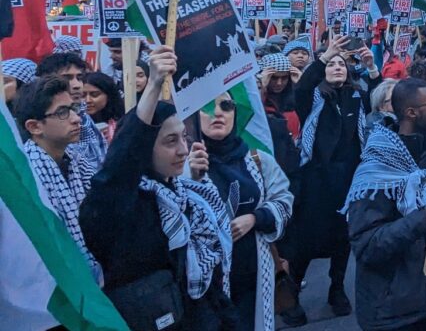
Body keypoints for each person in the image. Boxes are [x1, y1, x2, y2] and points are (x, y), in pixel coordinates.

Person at [80, 45, 236, 330]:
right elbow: (119, 168)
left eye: (183, 138)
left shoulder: (191, 197)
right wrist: (153, 85)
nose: (182, 151)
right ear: (143, 147)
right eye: (169, 141)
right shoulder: (119, 205)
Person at [345, 78, 426, 331]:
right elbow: (366, 246)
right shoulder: (375, 172)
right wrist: (421, 219)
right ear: (411, 113)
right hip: (392, 314)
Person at [278, 33, 380, 325]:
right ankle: (292, 295)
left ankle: (337, 290)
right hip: (315, 183)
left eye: (341, 64)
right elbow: (300, 90)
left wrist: (371, 67)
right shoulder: (312, 97)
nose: (337, 67)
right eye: (330, 65)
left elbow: (380, 97)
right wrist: (322, 57)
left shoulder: (355, 95)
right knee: (305, 242)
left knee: (341, 240)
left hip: (348, 181)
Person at [189, 92, 294, 331]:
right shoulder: (183, 164)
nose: (218, 113)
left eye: (226, 106)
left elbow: (284, 201)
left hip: (253, 276)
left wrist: (255, 218)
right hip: (207, 285)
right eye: (208, 105)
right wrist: (189, 178)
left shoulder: (258, 160)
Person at [15, 77, 100, 278]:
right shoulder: (28, 176)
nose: (76, 118)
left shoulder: (77, 160)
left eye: (73, 108)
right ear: (35, 127)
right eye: (63, 112)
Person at [37, 52, 106, 166]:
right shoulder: (42, 117)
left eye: (79, 78)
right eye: (67, 78)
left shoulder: (83, 115)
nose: (77, 85)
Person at [259, 53, 300, 140]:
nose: (279, 83)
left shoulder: (294, 96)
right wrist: (261, 87)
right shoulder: (258, 97)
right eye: (274, 78)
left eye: (284, 78)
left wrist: (301, 85)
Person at [83, 72, 124, 142]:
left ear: (109, 96)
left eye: (94, 95)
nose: (87, 100)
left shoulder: (123, 124)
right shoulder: (76, 125)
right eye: (82, 95)